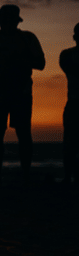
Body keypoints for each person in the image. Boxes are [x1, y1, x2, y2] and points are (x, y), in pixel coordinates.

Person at [0, 4, 45, 184]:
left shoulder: (27, 38)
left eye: (9, 21)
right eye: (4, 22)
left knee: (23, 133)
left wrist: (18, 57)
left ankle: (25, 174)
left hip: (21, 92)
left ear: (16, 22)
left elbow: (41, 63)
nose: (6, 25)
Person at [59, 23, 78, 184]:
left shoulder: (67, 56)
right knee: (70, 142)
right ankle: (67, 176)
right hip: (74, 103)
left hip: (73, 103)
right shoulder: (66, 55)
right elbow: (71, 69)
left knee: (70, 142)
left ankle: (68, 177)